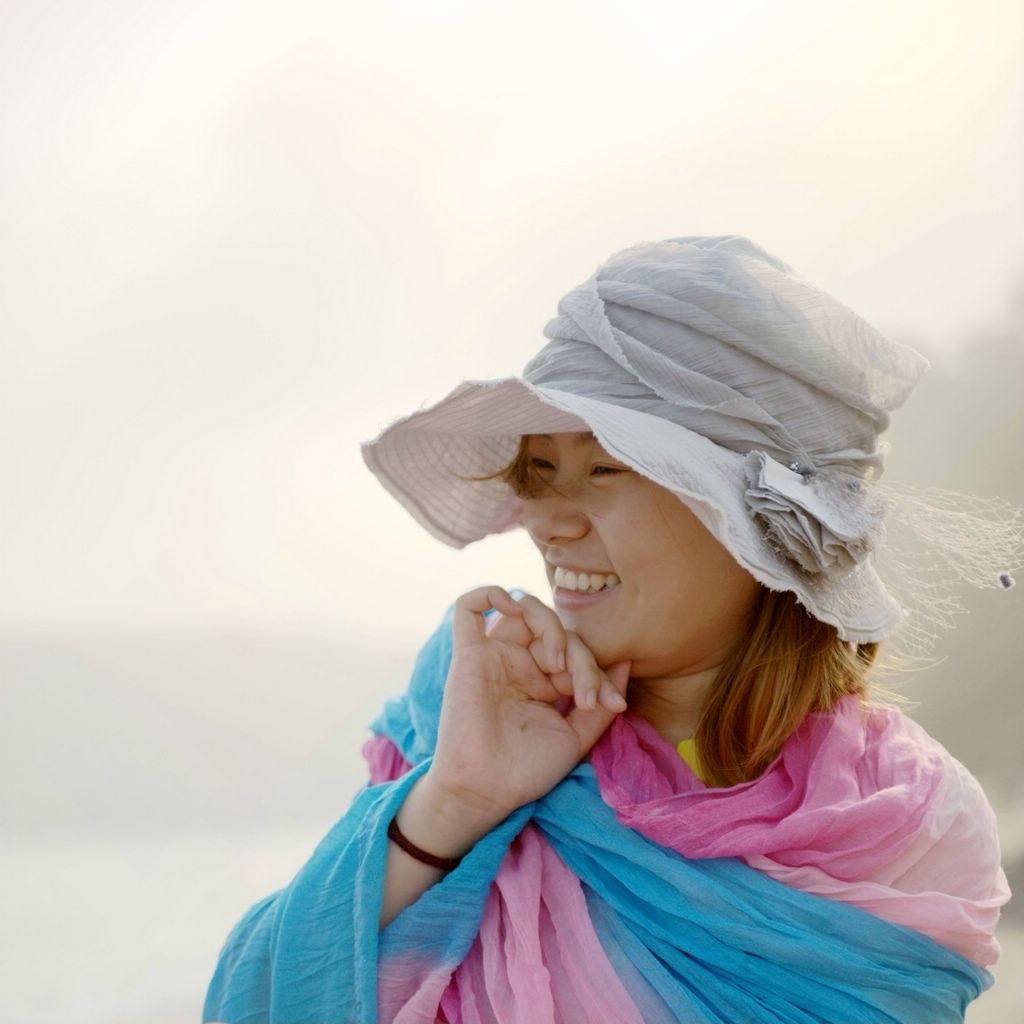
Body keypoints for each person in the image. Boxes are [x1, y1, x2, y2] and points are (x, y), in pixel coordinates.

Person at [204, 236, 1019, 1024]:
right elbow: (253, 1005)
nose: (548, 522)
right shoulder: (453, 729)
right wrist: (452, 803)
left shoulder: (904, 825)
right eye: (539, 471)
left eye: (604, 468)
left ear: (750, 525)